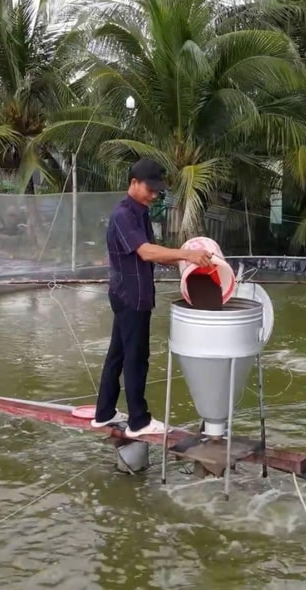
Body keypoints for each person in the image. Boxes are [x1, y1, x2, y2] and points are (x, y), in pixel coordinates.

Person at [92, 158, 213, 438]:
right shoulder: (123, 215)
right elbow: (146, 252)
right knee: (136, 357)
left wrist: (190, 258)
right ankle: (138, 422)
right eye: (151, 188)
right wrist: (186, 254)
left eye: (158, 190)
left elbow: (153, 251)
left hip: (134, 294)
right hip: (130, 297)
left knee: (118, 355)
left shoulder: (141, 213)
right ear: (134, 183)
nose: (155, 195)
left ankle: (104, 413)